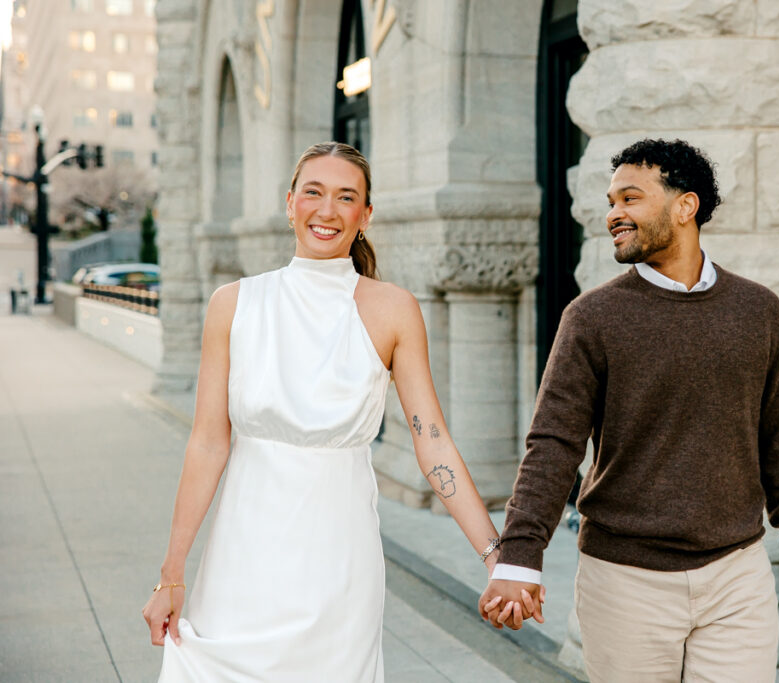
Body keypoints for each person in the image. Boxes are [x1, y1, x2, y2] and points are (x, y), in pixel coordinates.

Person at [142, 142, 514, 681]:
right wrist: (171, 574)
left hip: (340, 563)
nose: (327, 210)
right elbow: (206, 443)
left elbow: (432, 440)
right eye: (313, 193)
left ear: (365, 216)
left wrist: (495, 555)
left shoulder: (393, 309)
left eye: (346, 197)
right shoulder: (233, 303)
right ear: (290, 203)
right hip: (242, 556)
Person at [478, 138, 779, 682]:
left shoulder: (758, 309)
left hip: (736, 573)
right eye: (611, 201)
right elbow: (553, 443)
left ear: (685, 206)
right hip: (624, 579)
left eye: (630, 198)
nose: (613, 214)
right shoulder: (592, 317)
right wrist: (519, 557)